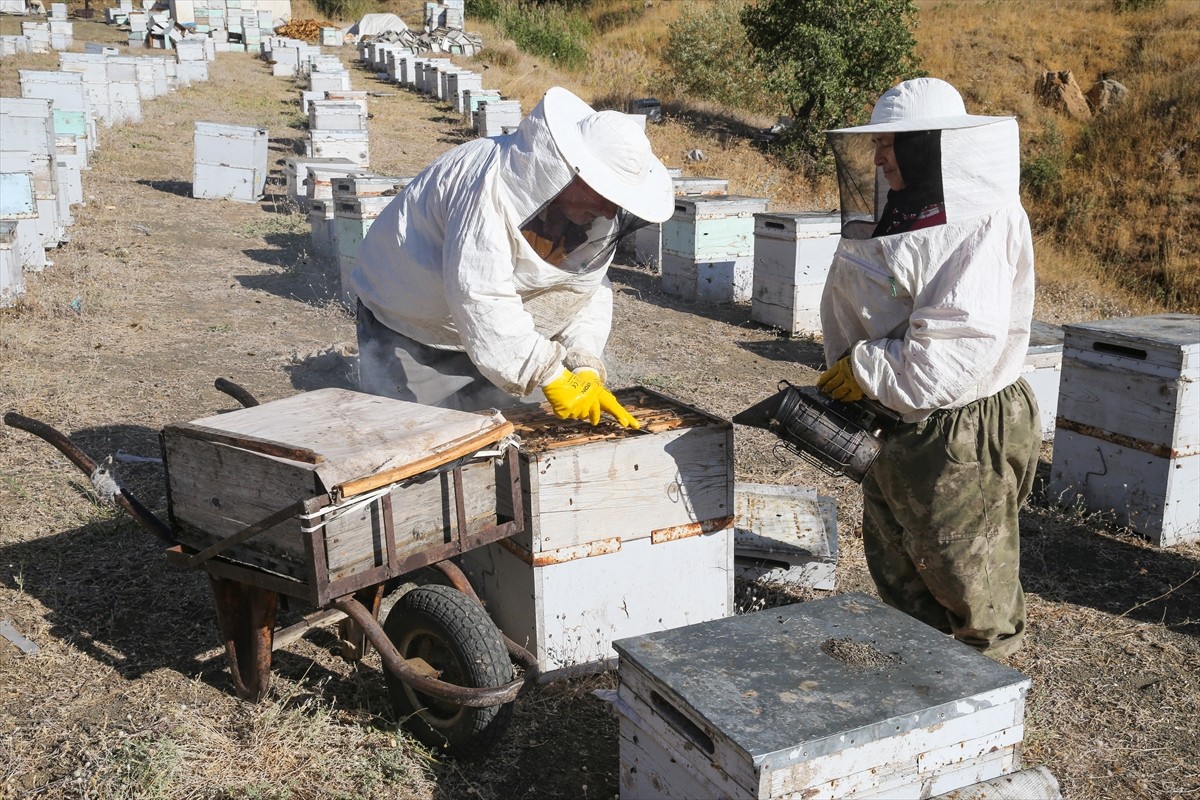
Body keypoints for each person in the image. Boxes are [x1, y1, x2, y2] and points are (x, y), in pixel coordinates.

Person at [817, 78, 1040, 658]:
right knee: (904, 581)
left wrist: (866, 366)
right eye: (879, 143)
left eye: (894, 144)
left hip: (956, 428)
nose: (879, 156)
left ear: (934, 148)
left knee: (971, 593)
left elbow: (948, 359)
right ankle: (922, 698)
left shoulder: (979, 225)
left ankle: (980, 728)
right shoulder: (915, 209)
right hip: (895, 418)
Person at [350, 86, 675, 428]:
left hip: (499, 333)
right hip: (412, 326)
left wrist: (584, 363)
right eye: (605, 192)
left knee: (515, 438)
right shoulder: (486, 189)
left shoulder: (589, 212)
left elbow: (584, 290)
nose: (610, 211)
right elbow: (480, 294)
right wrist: (546, 372)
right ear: (570, 170)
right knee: (417, 446)